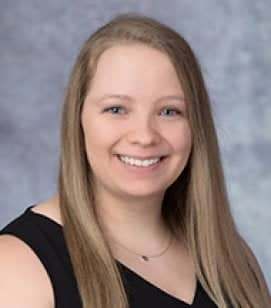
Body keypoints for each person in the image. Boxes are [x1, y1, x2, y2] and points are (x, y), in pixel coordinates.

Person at [0, 13, 270, 308]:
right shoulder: (17, 266)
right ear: (78, 120)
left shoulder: (233, 259)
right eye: (116, 109)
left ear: (196, 127)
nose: (144, 136)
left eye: (169, 111)